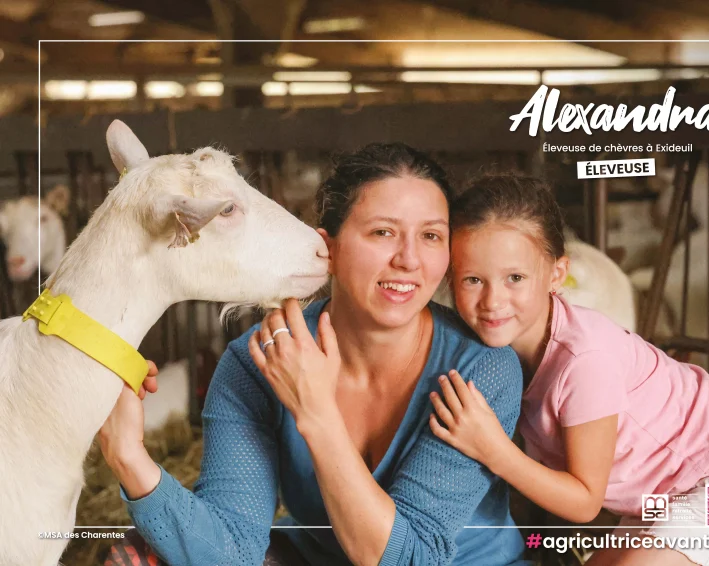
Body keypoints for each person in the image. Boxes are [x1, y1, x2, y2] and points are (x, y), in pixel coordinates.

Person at [100, 144, 531, 566]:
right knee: (136, 556)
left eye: (432, 236)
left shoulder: (481, 368)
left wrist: (317, 412)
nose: (409, 260)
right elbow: (230, 552)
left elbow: (410, 559)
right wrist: (129, 456)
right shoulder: (256, 364)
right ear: (328, 248)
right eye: (383, 232)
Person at [429, 173, 709, 566]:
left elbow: (584, 501)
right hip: (662, 500)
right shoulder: (492, 351)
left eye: (515, 278)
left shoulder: (584, 360)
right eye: (472, 280)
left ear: (555, 274)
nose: (492, 300)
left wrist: (493, 449)